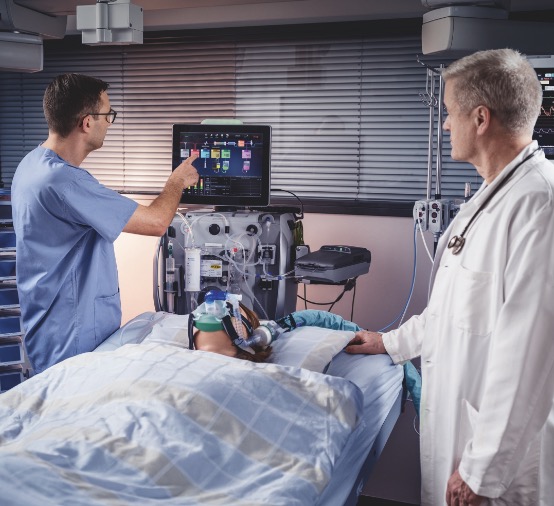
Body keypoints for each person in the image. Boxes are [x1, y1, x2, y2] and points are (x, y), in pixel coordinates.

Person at [346, 48, 554, 506]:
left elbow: (531, 353)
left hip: (498, 466)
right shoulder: (489, 197)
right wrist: (389, 343)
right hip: (467, 438)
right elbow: (453, 310)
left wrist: (483, 472)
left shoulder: (540, 204)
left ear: (480, 119)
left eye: (448, 113)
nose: (444, 126)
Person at [11, 73, 199, 375]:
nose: (109, 123)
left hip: (47, 328)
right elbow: (157, 222)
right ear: (87, 122)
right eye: (107, 115)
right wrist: (177, 182)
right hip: (73, 334)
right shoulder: (66, 182)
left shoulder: (30, 164)